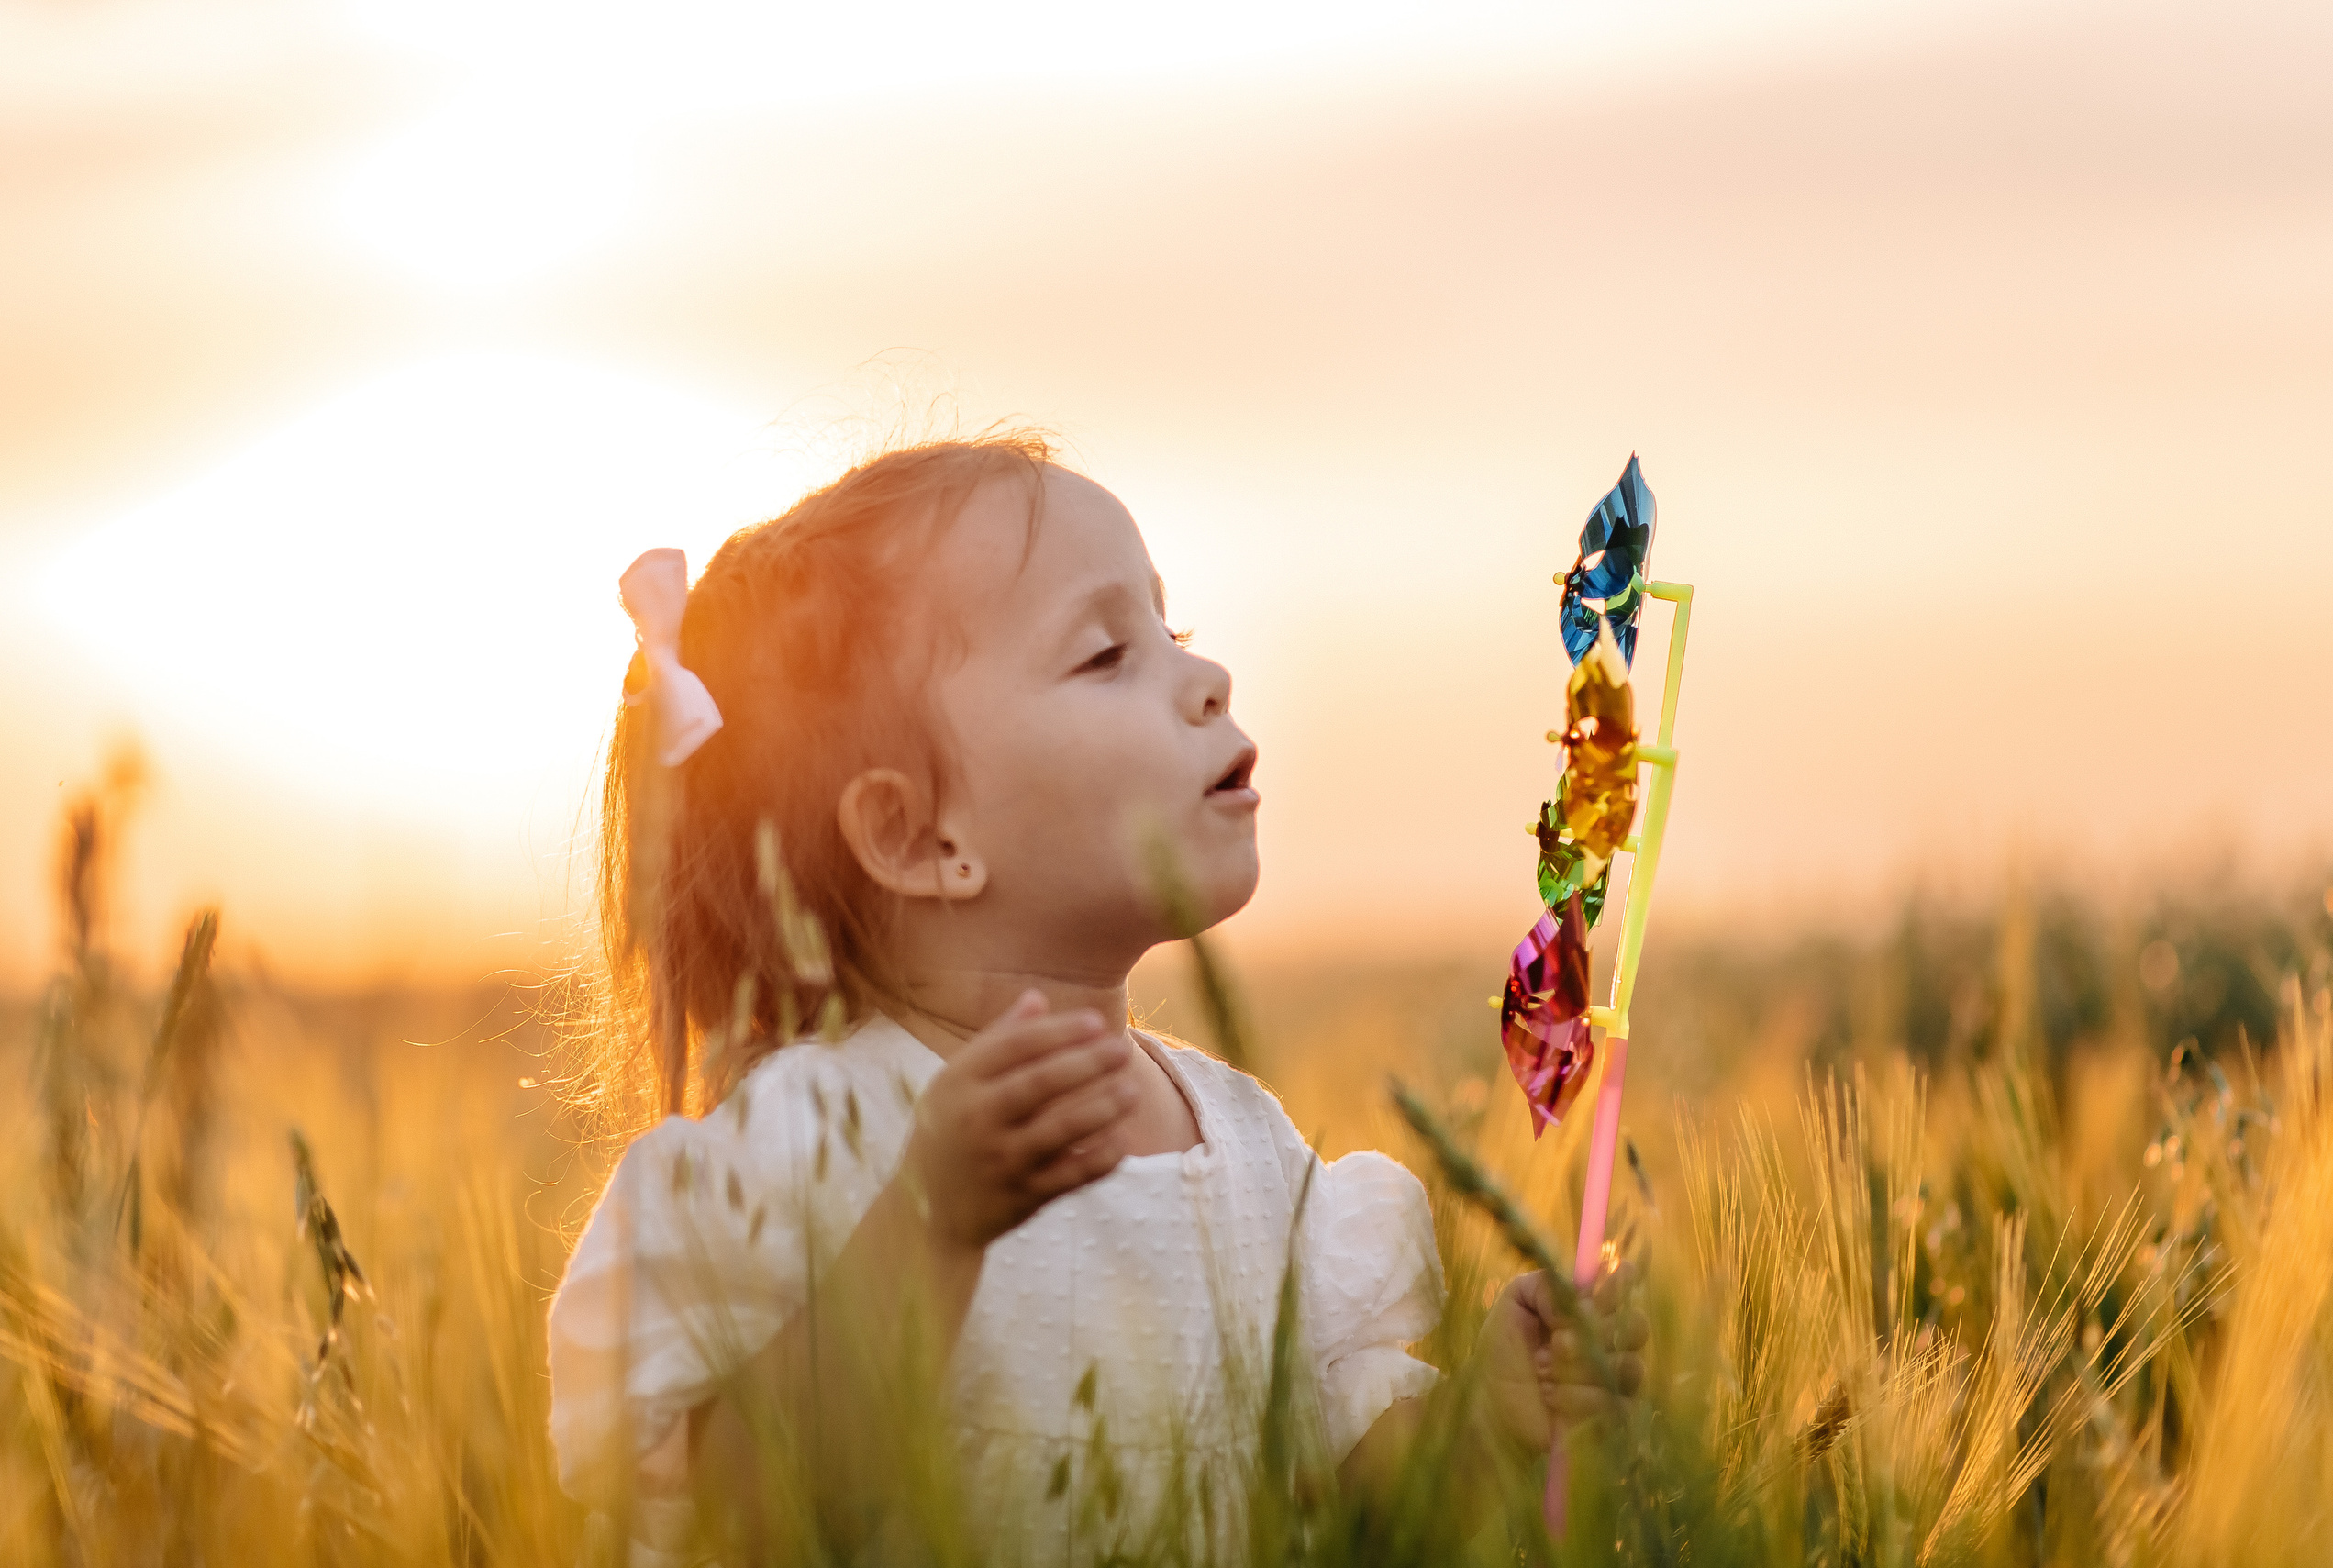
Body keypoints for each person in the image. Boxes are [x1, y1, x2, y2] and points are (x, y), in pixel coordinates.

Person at [545, 433, 1647, 1565]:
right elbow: (733, 1510)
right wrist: (929, 1225)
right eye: (1106, 652)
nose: (1207, 678)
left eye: (1173, 632)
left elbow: (1347, 1499)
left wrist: (1487, 1421)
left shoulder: (1249, 1146)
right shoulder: (808, 1142)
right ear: (915, 835)